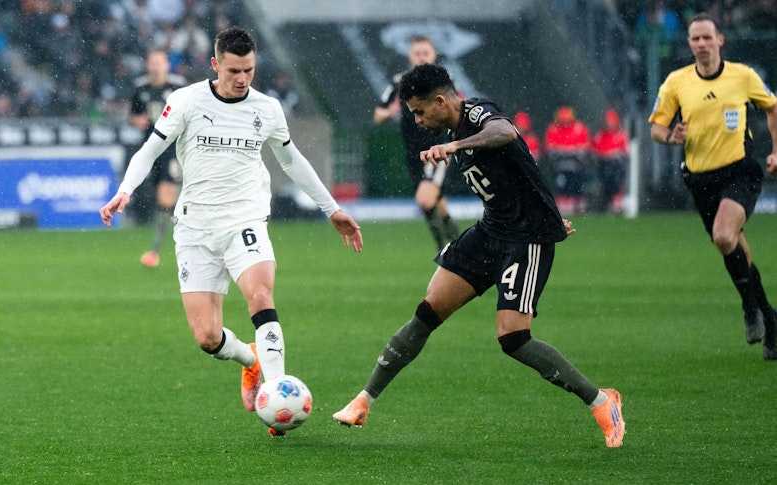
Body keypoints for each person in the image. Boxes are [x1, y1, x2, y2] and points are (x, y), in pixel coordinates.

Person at [333, 64, 625, 448]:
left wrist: (457, 147)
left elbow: (506, 132)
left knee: (514, 338)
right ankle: (364, 401)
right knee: (427, 312)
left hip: (526, 239)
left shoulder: (478, 114)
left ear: (441, 101)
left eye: (420, 111)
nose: (417, 120)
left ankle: (602, 401)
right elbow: (519, 177)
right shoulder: (453, 130)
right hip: (490, 232)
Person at [100, 27, 364, 436]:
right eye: (234, 71)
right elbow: (149, 151)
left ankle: (277, 393)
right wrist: (125, 190)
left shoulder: (267, 108)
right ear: (215, 65)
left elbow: (292, 161)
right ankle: (251, 360)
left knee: (260, 295)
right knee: (207, 337)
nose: (243, 79)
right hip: (195, 228)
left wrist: (332, 209)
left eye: (249, 70)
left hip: (245, 220)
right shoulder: (186, 101)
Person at [649, 12, 777, 360]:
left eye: (708, 37)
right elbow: (656, 128)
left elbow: (772, 107)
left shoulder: (742, 76)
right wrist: (670, 135)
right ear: (689, 43)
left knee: (723, 235)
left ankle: (750, 309)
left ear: (720, 40)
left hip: (740, 171)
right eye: (696, 38)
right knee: (734, 247)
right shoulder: (676, 82)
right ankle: (769, 319)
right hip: (701, 180)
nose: (702, 44)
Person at [374, 35, 458, 251]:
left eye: (425, 53)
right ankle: (458, 244)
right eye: (417, 53)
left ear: (434, 55)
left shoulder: (443, 82)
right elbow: (378, 115)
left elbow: (457, 108)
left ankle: (445, 251)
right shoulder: (399, 82)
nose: (421, 57)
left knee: (425, 200)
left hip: (437, 149)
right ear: (410, 56)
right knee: (436, 201)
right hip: (413, 153)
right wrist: (388, 113)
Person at [129, 48, 187, 268]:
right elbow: (133, 115)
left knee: (165, 197)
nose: (155, 67)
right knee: (164, 201)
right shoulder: (140, 88)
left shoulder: (178, 87)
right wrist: (137, 121)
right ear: (147, 65)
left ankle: (156, 250)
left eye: (159, 62)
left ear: (166, 65)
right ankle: (183, 230)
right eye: (152, 62)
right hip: (151, 149)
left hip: (172, 148)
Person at [544, 106, 591, 214]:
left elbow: (585, 147)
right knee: (561, 186)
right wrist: (568, 151)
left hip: (576, 166)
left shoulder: (579, 128)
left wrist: (567, 151)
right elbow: (550, 148)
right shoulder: (553, 129)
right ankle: (564, 205)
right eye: (563, 121)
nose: (565, 124)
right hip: (559, 166)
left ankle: (577, 205)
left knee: (576, 186)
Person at [592, 108, 629, 213]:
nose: (609, 125)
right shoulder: (600, 135)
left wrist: (613, 154)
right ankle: (607, 204)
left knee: (616, 183)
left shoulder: (621, 135)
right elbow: (594, 150)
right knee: (605, 185)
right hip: (603, 165)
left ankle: (617, 204)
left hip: (616, 166)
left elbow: (625, 151)